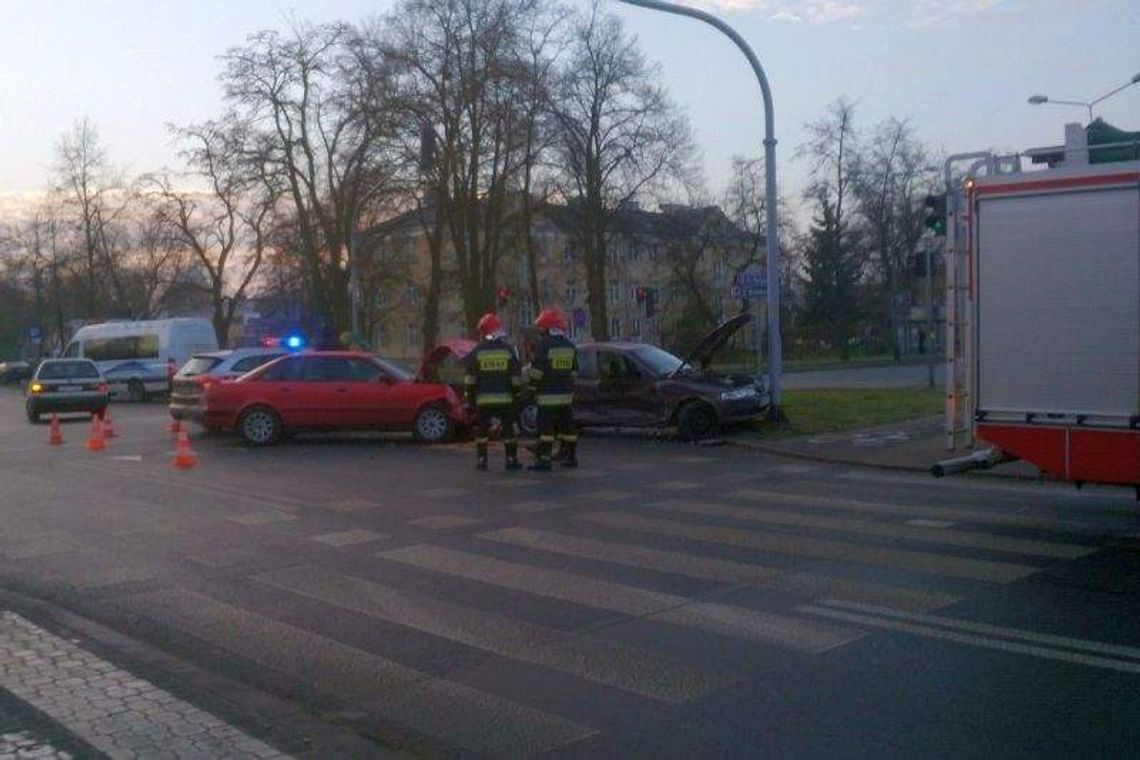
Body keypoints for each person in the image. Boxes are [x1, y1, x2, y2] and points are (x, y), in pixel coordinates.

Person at [464, 312, 523, 471]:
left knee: (482, 430)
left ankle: (482, 460)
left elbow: (470, 379)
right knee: (508, 430)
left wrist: (470, 398)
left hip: (483, 401)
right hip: (506, 399)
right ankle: (511, 460)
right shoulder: (508, 350)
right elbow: (516, 377)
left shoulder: (477, 351)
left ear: (483, 332)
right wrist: (517, 394)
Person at [527, 307, 578, 471]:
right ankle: (571, 457)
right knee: (567, 428)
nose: (540, 331)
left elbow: (537, 372)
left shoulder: (544, 345)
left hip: (547, 396)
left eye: (542, 328)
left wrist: (532, 388)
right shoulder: (570, 345)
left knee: (545, 430)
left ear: (548, 328)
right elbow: (574, 372)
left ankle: (544, 460)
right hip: (566, 397)